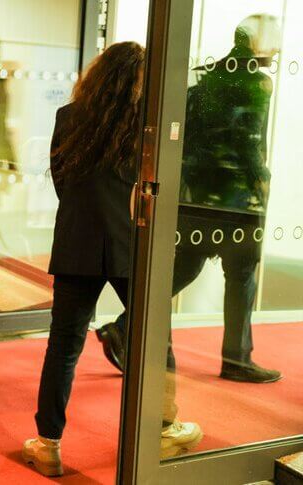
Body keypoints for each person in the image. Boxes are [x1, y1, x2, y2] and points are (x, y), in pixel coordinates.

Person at [22, 42, 202, 477]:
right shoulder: (148, 124)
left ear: (99, 76)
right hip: (130, 246)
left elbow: (62, 180)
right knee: (157, 337)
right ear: (139, 80)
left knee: (63, 347)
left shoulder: (68, 118)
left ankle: (48, 443)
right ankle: (163, 426)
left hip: (76, 244)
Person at [96, 14, 282, 384]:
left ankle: (122, 327)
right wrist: (261, 180)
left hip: (196, 197)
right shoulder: (257, 83)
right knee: (242, 274)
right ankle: (237, 358)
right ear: (258, 44)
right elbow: (249, 143)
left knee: (185, 268)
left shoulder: (205, 75)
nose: (277, 48)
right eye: (273, 40)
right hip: (236, 201)